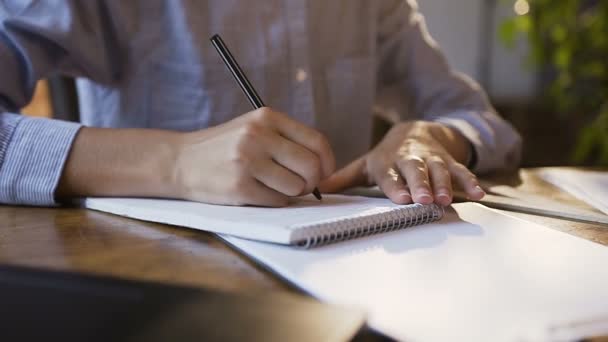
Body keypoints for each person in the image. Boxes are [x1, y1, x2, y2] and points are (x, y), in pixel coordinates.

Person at [0, 0, 521, 208]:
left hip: (352, 284)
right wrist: (174, 162)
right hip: (169, 300)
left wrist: (429, 136)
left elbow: (482, 122)